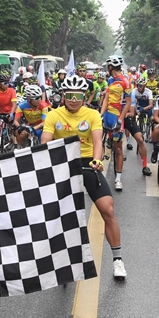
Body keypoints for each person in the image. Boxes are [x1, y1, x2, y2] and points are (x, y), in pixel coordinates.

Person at [41, 74, 127, 281]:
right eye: (69, 95)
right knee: (55, 213)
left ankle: (118, 260)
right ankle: (57, 256)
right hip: (62, 165)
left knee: (108, 209)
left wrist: (97, 161)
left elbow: (97, 140)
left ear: (84, 96)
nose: (73, 99)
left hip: (88, 163)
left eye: (77, 96)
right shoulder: (53, 115)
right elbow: (45, 142)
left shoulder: (92, 114)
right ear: (63, 95)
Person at [99, 56, 132, 191]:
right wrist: (100, 115)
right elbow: (106, 98)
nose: (106, 68)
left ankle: (118, 179)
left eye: (107, 66)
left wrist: (120, 120)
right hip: (107, 115)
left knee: (118, 149)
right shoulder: (110, 80)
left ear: (111, 67)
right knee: (98, 143)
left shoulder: (126, 81)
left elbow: (128, 103)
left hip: (118, 116)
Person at [125, 79, 153, 176]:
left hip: (132, 114)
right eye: (137, 85)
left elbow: (132, 108)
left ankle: (145, 166)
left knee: (140, 140)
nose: (138, 87)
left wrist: (131, 113)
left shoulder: (131, 92)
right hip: (116, 117)